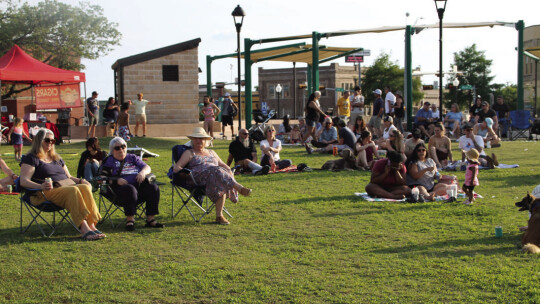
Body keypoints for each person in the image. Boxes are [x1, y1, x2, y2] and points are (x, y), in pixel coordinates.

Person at [19, 128, 104, 240]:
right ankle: (84, 229)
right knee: (73, 190)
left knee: (84, 187)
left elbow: (69, 177)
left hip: (64, 187)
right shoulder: (32, 158)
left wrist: (81, 181)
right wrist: (40, 186)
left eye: (52, 141)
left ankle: (92, 225)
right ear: (39, 140)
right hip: (44, 193)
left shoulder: (57, 158)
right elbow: (23, 181)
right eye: (47, 140)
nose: (50, 143)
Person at [173, 127, 252, 225]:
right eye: (196, 138)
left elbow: (225, 166)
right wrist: (183, 172)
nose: (198, 140)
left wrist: (230, 174)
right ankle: (238, 187)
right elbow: (177, 167)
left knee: (218, 177)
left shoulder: (211, 152)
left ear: (205, 140)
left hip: (214, 177)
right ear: (192, 140)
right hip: (196, 177)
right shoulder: (189, 153)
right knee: (215, 170)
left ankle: (219, 216)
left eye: (201, 138)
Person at [99, 137, 164, 231]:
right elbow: (100, 178)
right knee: (130, 189)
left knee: (153, 187)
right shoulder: (109, 161)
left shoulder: (132, 157)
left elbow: (147, 167)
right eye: (117, 148)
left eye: (123, 146)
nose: (121, 150)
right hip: (118, 191)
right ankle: (130, 220)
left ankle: (150, 219)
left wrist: (142, 173)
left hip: (139, 188)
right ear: (112, 150)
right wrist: (116, 179)